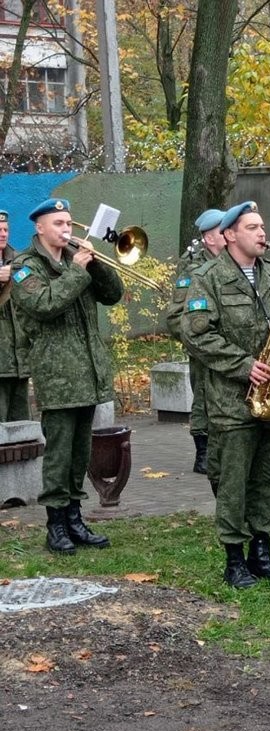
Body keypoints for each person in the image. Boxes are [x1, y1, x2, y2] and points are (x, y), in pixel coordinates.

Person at [180, 201, 270, 588]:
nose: (262, 233)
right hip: (233, 401)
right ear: (230, 234)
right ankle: (235, 559)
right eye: (252, 227)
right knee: (233, 481)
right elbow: (197, 333)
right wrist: (244, 365)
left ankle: (262, 553)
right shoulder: (208, 278)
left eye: (263, 226)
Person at [10, 198, 123, 554]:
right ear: (39, 228)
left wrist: (98, 265)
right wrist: (77, 269)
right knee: (59, 453)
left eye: (69, 222)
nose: (67, 229)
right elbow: (44, 305)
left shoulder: (77, 259)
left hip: (87, 372)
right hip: (57, 375)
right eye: (58, 223)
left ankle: (75, 518)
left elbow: (113, 294)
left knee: (80, 452)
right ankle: (55, 524)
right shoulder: (24, 267)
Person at [166, 209, 225, 475]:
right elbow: (176, 315)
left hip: (225, 344)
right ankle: (203, 452)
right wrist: (196, 342)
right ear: (210, 238)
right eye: (223, 229)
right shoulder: (193, 267)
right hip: (203, 345)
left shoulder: (229, 261)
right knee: (203, 397)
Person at [0, 210, 30, 421]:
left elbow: (33, 292)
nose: (3, 234)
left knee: (22, 428)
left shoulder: (19, 261)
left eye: (5, 229)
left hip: (19, 359)